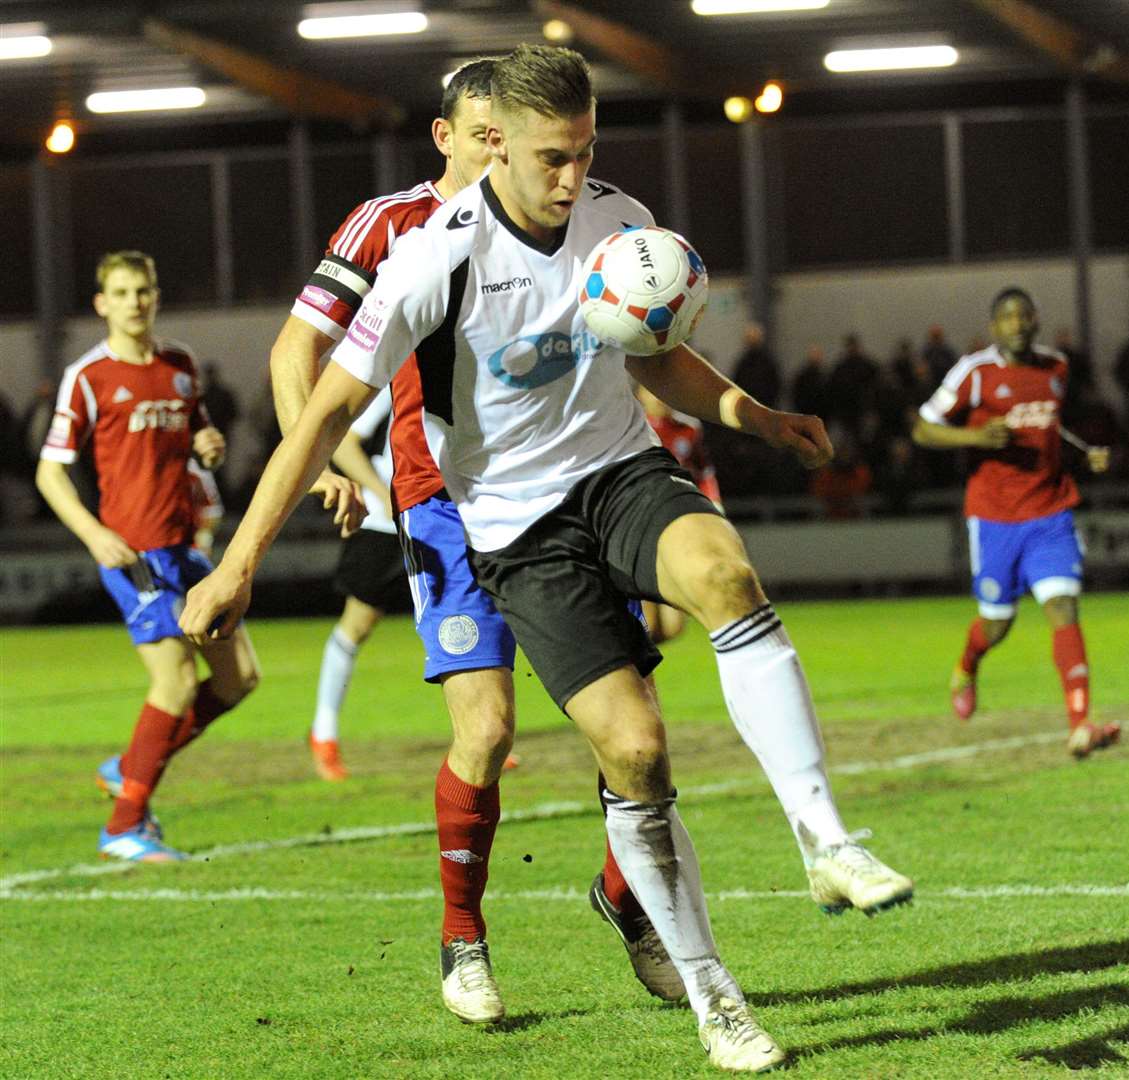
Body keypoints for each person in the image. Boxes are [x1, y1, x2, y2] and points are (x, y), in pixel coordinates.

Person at [183, 46, 913, 1072]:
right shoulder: (433, 256)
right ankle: (713, 998)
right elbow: (319, 416)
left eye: (580, 153)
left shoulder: (617, 219)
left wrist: (755, 413)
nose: (568, 178)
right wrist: (238, 561)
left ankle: (823, 837)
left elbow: (651, 350)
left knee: (725, 574)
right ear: (494, 151)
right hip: (511, 526)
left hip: (618, 472)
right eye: (546, 159)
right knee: (634, 748)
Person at [270, 59, 535, 1018]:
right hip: (436, 503)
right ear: (444, 135)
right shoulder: (389, 225)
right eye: (481, 129)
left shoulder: (559, 211)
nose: (498, 145)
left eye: (511, 128)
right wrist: (330, 466)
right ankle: (462, 940)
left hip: (558, 496)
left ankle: (634, 909)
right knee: (487, 727)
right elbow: (293, 349)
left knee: (628, 736)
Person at [35, 250, 263, 862]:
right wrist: (93, 534)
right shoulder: (89, 377)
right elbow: (50, 472)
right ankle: (124, 824)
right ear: (102, 303)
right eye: (123, 291)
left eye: (145, 290)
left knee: (240, 679)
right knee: (177, 680)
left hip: (185, 549)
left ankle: (130, 765)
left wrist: (208, 448)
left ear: (155, 297)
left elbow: (200, 441)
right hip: (132, 554)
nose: (136, 301)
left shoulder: (180, 366)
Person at [912, 287, 1119, 759]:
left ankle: (1080, 722)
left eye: (1026, 316)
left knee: (1063, 606)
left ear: (1037, 321)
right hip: (995, 519)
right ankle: (967, 666)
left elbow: (1052, 432)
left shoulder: (1056, 369)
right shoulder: (976, 373)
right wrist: (973, 436)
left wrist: (1089, 457)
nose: (1018, 324)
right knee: (997, 624)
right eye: (1008, 318)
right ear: (994, 327)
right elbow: (923, 427)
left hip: (1050, 511)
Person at [306, 387, 415, 781]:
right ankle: (324, 733)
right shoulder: (399, 376)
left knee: (461, 624)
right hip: (387, 525)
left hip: (451, 521)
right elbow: (344, 445)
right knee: (357, 625)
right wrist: (384, 494)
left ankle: (478, 735)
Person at [635, 383, 721, 642]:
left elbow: (703, 471)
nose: (660, 397)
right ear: (640, 395)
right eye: (652, 391)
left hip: (675, 522)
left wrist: (713, 504)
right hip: (638, 526)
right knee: (647, 625)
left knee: (673, 628)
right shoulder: (632, 429)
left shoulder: (689, 429)